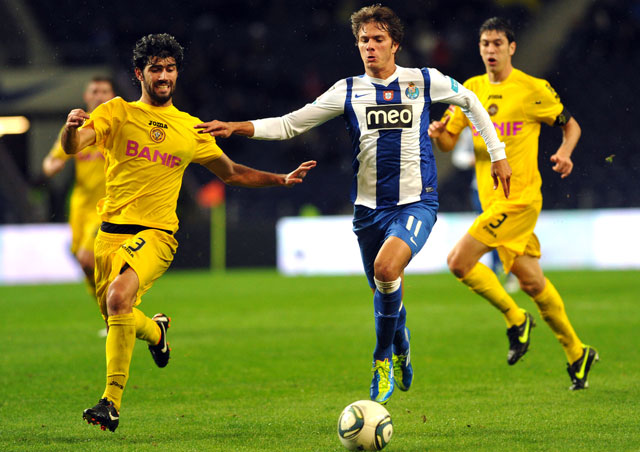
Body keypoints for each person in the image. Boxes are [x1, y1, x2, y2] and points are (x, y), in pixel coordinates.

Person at [195, 5, 511, 405]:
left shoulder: (423, 81)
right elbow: (291, 123)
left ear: (395, 44)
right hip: (368, 211)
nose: (370, 46)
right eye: (364, 40)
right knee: (385, 289)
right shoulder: (346, 91)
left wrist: (498, 153)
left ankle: (381, 359)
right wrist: (236, 127)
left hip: (417, 202)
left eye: (378, 39)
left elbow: (471, 101)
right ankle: (402, 343)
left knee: (386, 269)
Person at [62, 33, 316, 432]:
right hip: (108, 235)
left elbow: (231, 173)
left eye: (170, 69)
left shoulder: (190, 128)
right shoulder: (117, 112)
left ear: (177, 73)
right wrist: (69, 129)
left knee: (118, 298)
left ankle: (110, 402)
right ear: (139, 73)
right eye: (155, 69)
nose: (164, 76)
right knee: (118, 314)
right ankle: (157, 332)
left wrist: (279, 179)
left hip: (157, 233)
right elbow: (74, 145)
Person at [428, 17, 597, 390]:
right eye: (485, 44)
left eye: (497, 44)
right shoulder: (470, 90)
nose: (491, 50)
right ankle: (577, 352)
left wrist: (565, 152)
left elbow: (571, 125)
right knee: (532, 282)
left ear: (512, 48)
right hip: (491, 202)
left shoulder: (532, 89)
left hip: (519, 200)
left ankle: (516, 318)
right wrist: (439, 134)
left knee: (458, 262)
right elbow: (449, 142)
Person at [42, 76, 115, 303]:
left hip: (108, 206)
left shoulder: (118, 126)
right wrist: (52, 167)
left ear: (112, 96)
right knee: (83, 262)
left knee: (86, 258)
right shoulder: (77, 128)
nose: (99, 96)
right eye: (94, 91)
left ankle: (115, 303)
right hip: (80, 207)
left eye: (104, 91)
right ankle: (108, 305)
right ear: (86, 96)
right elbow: (51, 160)